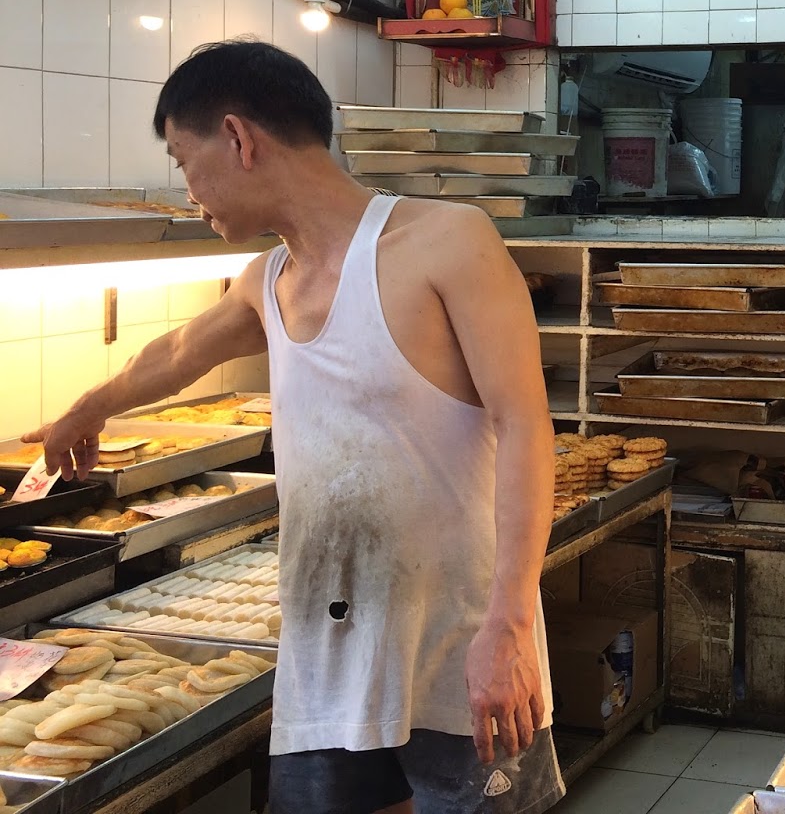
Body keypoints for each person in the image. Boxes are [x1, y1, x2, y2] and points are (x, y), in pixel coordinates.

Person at [25, 41, 562, 814]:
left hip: (458, 649)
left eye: (184, 160)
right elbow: (178, 352)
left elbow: (525, 423)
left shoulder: (447, 242)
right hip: (329, 663)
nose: (188, 190)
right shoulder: (267, 281)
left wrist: (510, 622)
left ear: (239, 139)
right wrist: (91, 405)